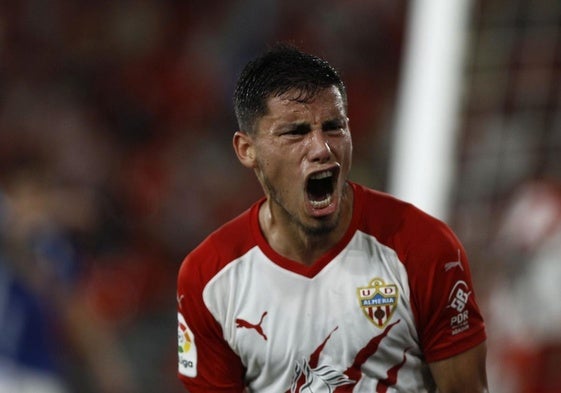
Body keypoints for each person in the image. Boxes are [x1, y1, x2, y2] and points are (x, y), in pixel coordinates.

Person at [176, 43, 488, 392]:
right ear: (247, 150)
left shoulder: (423, 247)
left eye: (334, 127)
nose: (322, 149)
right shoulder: (208, 277)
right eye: (295, 132)